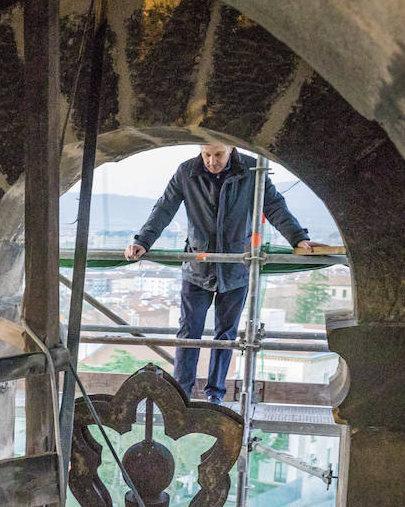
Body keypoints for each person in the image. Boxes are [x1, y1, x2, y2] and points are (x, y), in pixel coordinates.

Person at [124, 144, 312, 404]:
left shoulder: (253, 171)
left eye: (218, 155)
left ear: (230, 148)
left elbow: (275, 207)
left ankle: (215, 395)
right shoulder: (187, 172)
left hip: (236, 265)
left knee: (226, 334)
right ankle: (180, 394)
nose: (212, 161)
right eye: (206, 155)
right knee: (189, 332)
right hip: (197, 266)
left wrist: (298, 239)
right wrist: (143, 241)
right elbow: (164, 208)